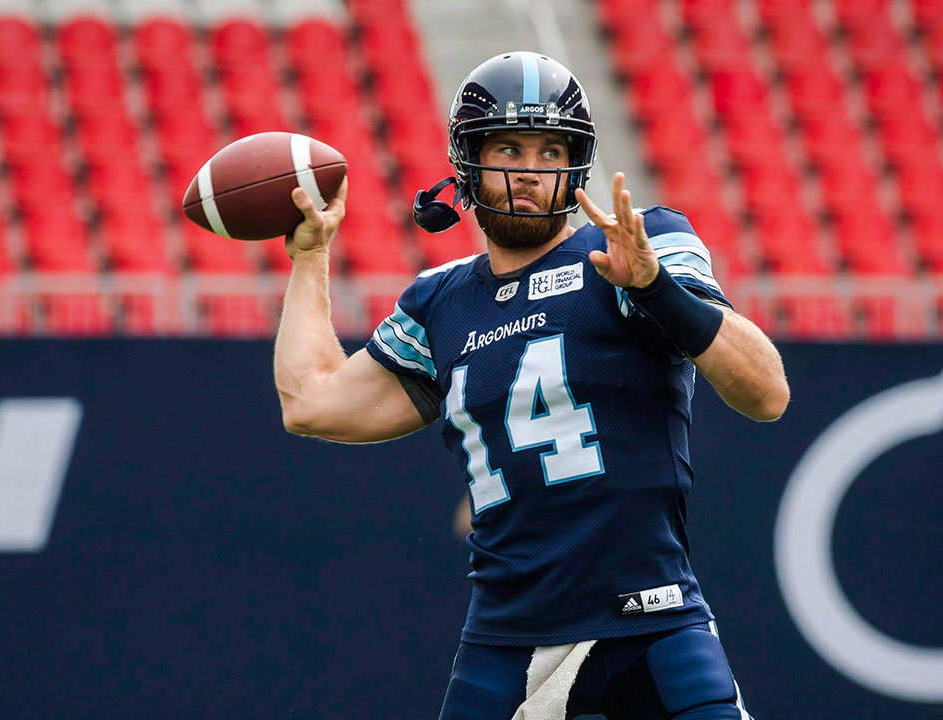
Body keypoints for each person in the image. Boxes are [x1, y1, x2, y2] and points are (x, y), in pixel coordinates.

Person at [274, 52, 787, 720]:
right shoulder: (441, 302)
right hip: (506, 639)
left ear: (575, 165)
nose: (529, 170)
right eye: (509, 148)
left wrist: (654, 287)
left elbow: (766, 393)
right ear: (468, 162)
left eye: (550, 152)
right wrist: (310, 255)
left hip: (653, 623)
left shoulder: (631, 248)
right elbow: (311, 403)